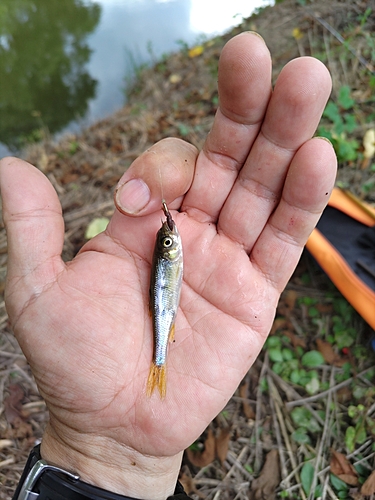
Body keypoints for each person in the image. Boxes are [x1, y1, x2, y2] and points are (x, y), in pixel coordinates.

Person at [2, 32, 337, 500]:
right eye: (169, 238)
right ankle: (153, 378)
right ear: (170, 246)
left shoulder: (173, 253)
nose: (171, 236)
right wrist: (100, 454)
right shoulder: (168, 252)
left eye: (168, 237)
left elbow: (166, 282)